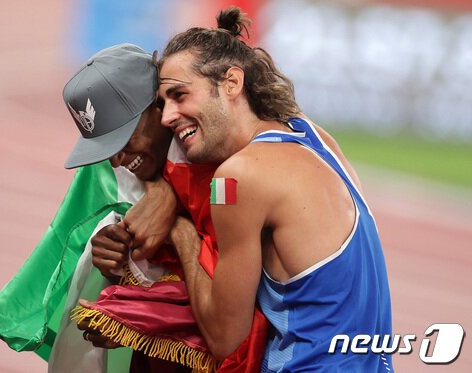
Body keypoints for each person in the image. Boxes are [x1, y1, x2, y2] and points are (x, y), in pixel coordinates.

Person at [156, 7, 393, 372]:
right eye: (162, 103)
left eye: (179, 95)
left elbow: (224, 338)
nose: (166, 117)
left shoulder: (236, 177)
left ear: (231, 83)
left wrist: (179, 229)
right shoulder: (315, 138)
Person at [61, 42, 267, 373]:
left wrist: (177, 230)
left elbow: (236, 324)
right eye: (107, 147)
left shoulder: (232, 171)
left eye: (123, 139)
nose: (117, 160)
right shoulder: (156, 167)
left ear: (161, 106)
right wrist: (113, 252)